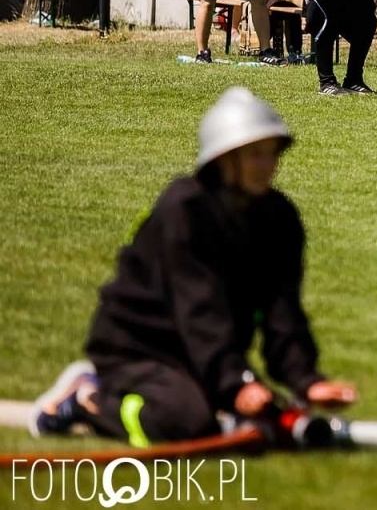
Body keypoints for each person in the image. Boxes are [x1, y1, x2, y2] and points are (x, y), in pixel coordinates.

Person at [28, 87, 358, 445]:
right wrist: (235, 382)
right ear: (223, 159)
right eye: (254, 155)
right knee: (186, 422)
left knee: (275, 423)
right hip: (138, 347)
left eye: (271, 154)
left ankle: (211, 393)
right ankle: (88, 398)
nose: (267, 165)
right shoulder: (185, 210)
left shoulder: (280, 218)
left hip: (202, 352)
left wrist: (307, 381)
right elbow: (199, 308)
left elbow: (283, 309)